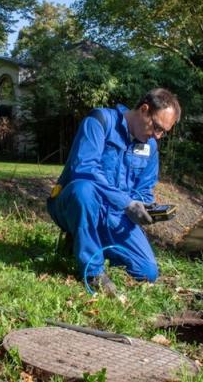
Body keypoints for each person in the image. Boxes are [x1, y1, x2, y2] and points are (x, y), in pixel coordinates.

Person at [47, 88, 181, 295]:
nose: (157, 135)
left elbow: (144, 189)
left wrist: (145, 208)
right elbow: (85, 170)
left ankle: (83, 242)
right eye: (156, 127)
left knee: (147, 272)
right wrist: (126, 203)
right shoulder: (99, 121)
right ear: (144, 110)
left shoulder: (150, 146)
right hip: (73, 202)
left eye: (163, 131)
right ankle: (93, 272)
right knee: (84, 190)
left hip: (116, 214)